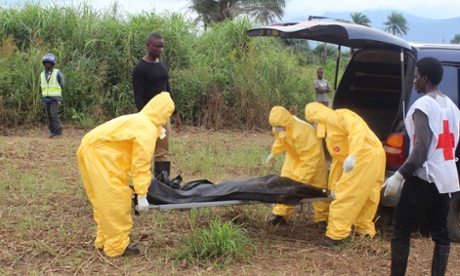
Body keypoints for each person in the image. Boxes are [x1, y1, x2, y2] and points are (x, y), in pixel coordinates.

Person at [382, 57, 460, 276]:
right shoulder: (453, 108)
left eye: (416, 77)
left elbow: (421, 149)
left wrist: (400, 175)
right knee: (441, 234)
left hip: (424, 178)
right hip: (445, 180)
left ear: (425, 79)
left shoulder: (423, 106)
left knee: (401, 228)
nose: (414, 81)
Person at [76, 92, 175, 257]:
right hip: (101, 156)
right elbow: (141, 163)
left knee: (102, 200)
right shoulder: (147, 128)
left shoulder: (138, 119)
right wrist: (142, 193)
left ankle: (104, 239)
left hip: (89, 149)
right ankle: (116, 247)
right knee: (116, 199)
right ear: (164, 114)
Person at [305, 102, 385, 246]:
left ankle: (335, 236)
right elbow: (338, 160)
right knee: (368, 194)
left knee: (347, 194)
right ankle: (364, 231)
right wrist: (333, 186)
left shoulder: (341, 116)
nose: (315, 126)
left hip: (363, 156)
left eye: (314, 122)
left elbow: (358, 130)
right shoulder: (330, 132)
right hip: (372, 155)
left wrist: (354, 154)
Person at [265, 106, 329, 228]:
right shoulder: (279, 126)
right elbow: (280, 140)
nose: (278, 129)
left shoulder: (302, 132)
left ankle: (321, 218)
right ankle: (280, 215)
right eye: (276, 127)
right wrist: (273, 153)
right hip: (293, 158)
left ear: (286, 123)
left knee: (318, 187)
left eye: (280, 127)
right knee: (285, 184)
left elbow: (310, 161)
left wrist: (300, 181)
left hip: (313, 159)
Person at [132, 32, 182, 177]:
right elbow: (138, 97)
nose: (159, 50)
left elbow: (168, 90)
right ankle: (145, 185)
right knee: (146, 151)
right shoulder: (140, 69)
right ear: (148, 45)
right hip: (148, 117)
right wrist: (145, 119)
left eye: (162, 47)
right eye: (156, 46)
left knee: (162, 152)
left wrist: (176, 114)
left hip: (164, 116)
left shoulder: (163, 65)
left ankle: (162, 185)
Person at [40, 53, 64, 138]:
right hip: (46, 98)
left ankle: (58, 133)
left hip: (55, 98)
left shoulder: (57, 73)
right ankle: (52, 132)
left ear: (52, 64)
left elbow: (62, 84)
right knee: (49, 115)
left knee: (54, 115)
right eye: (46, 63)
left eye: (49, 63)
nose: (47, 65)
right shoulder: (42, 74)